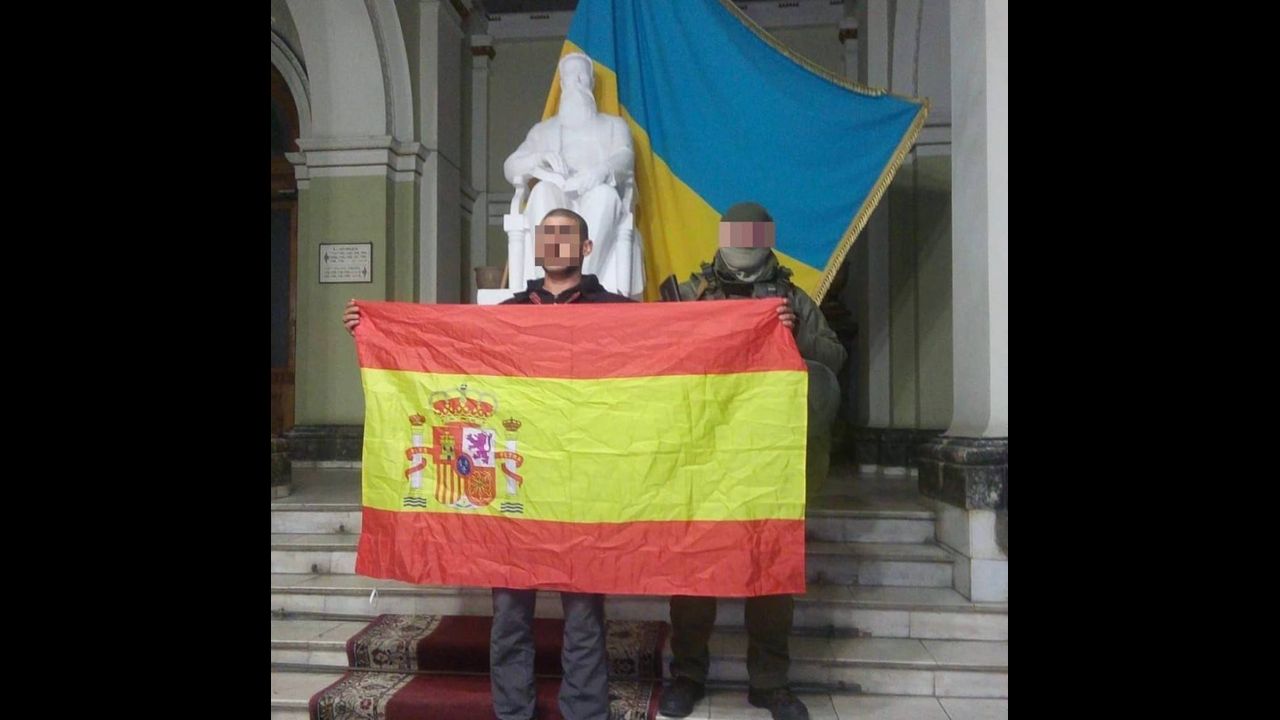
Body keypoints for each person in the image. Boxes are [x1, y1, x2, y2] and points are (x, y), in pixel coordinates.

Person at [344, 208, 631, 720]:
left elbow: (675, 347)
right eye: (547, 234)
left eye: (566, 234)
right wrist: (373, 331)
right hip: (514, 487)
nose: (555, 241)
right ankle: (513, 711)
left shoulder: (618, 313)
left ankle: (586, 712)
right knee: (510, 615)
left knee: (585, 614)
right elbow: (440, 348)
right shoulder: (505, 315)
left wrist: (768, 326)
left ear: (586, 247)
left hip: (583, 485)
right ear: (537, 247)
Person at [658, 201, 846, 720]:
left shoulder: (794, 298)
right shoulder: (691, 293)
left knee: (770, 570)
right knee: (695, 571)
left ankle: (769, 682)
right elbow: (658, 358)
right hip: (704, 452)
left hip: (768, 455)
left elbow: (833, 360)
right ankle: (687, 675)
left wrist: (794, 330)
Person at [503, 53, 639, 296]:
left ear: (591, 82)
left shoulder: (613, 125)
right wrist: (538, 158)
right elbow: (510, 166)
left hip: (594, 193)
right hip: (559, 197)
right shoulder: (544, 130)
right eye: (570, 77)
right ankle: (548, 284)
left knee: (605, 195)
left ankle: (583, 286)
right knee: (541, 191)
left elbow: (625, 156)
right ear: (562, 83)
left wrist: (602, 170)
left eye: (581, 77)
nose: (576, 83)